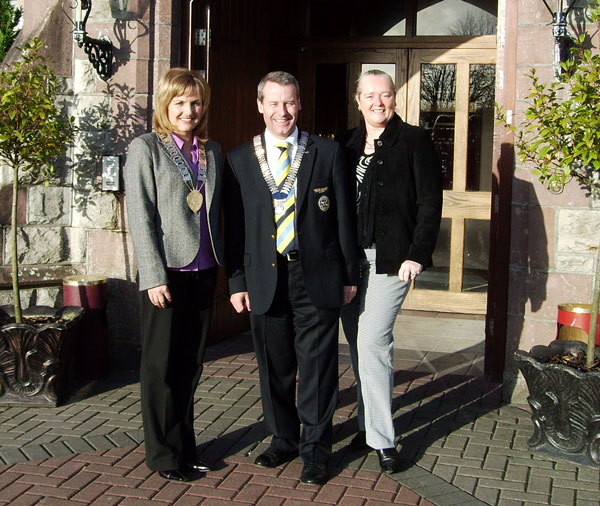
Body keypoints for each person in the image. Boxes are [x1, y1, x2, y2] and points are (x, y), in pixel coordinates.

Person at [224, 71, 359, 485]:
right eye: (275, 103)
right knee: (275, 367)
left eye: (290, 103)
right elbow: (234, 228)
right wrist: (236, 282)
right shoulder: (239, 160)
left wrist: (349, 274)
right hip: (264, 279)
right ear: (260, 105)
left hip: (315, 275)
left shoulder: (326, 152)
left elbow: (343, 219)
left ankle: (316, 450)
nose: (282, 111)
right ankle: (283, 439)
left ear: (300, 105)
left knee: (317, 369)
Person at [339, 69, 443, 474]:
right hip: (350, 262)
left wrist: (417, 254)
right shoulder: (345, 144)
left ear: (395, 99)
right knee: (361, 346)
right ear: (358, 100)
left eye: (384, 95)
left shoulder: (414, 141)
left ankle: (383, 440)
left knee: (371, 342)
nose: (377, 102)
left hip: (392, 261)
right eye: (369, 95)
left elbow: (431, 203)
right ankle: (367, 427)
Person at [124, 68, 225, 482]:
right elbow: (141, 216)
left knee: (190, 366)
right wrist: (152, 276)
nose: (189, 110)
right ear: (166, 105)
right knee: (160, 368)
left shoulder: (212, 150)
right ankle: (163, 456)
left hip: (203, 271)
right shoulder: (145, 148)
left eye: (195, 102)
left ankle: (185, 447)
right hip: (166, 273)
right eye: (180, 102)